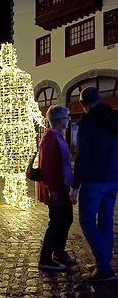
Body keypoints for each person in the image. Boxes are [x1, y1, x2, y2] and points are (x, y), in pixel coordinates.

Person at [69, 87, 118, 281]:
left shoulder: (88, 124)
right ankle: (102, 261)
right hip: (113, 179)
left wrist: (75, 186)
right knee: (105, 221)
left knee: (87, 221)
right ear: (99, 99)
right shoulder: (114, 118)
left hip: (94, 180)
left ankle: (104, 267)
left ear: (83, 104)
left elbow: (83, 157)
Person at [38, 105, 76, 271]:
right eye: (67, 118)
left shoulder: (57, 136)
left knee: (66, 218)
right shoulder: (50, 137)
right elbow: (45, 165)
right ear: (60, 120)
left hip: (63, 185)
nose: (68, 121)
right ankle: (45, 258)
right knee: (56, 221)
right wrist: (51, 188)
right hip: (55, 187)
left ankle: (59, 251)